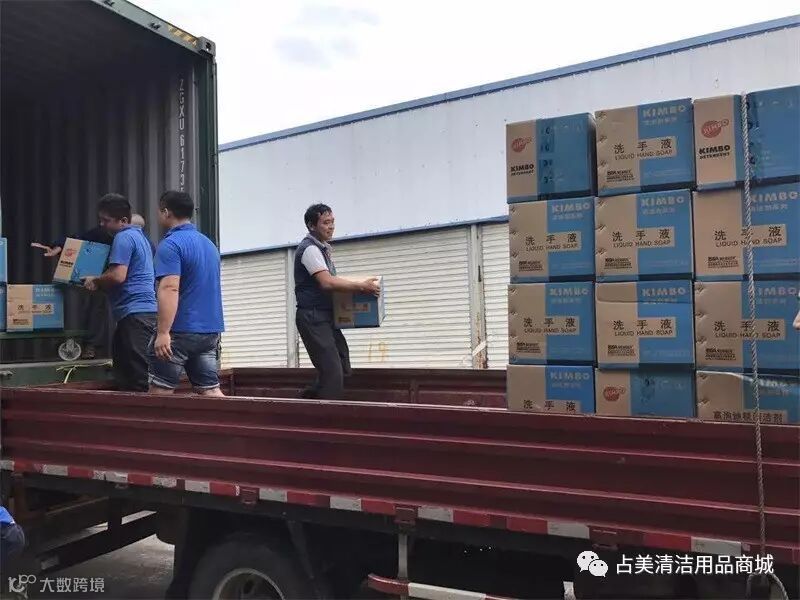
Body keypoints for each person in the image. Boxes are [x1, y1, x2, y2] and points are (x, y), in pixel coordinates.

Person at [295, 204, 380, 400]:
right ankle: (324, 414)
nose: (331, 226)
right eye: (326, 223)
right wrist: (361, 287)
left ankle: (306, 403)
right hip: (313, 316)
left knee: (342, 364)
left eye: (332, 222)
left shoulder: (322, 249)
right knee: (332, 372)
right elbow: (327, 282)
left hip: (324, 316)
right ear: (311, 226)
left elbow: (333, 282)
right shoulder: (310, 250)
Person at [148, 191, 225, 396]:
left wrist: (163, 333)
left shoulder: (171, 245)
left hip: (180, 330)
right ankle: (237, 417)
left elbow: (170, 287)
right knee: (210, 390)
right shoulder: (209, 245)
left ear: (166, 212)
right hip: (209, 331)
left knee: (160, 392)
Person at [83, 194, 157, 391]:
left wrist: (96, 280)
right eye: (101, 219)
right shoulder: (139, 237)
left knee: (138, 376)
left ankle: (144, 409)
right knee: (125, 372)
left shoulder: (123, 238)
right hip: (137, 314)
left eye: (106, 220)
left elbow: (117, 275)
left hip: (136, 315)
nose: (102, 224)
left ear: (123, 220)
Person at [32, 225, 115, 359]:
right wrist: (59, 246)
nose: (102, 223)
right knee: (94, 304)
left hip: (116, 284)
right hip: (93, 280)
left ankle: (94, 346)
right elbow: (76, 238)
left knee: (102, 307)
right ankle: (84, 345)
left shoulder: (131, 240)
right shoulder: (103, 233)